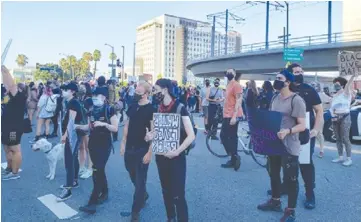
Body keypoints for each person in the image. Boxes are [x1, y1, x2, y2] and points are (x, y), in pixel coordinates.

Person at [269, 63, 323, 210]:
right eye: (296, 71)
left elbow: (319, 110)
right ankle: (285, 188)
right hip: (285, 135)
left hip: (304, 134)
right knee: (285, 163)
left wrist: (316, 129)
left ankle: (310, 193)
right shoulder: (281, 94)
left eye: (301, 71)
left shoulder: (309, 90)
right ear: (290, 76)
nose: (300, 73)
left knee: (305, 165)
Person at [257, 69, 306, 222]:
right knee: (274, 173)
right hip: (274, 143)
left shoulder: (296, 100)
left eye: (279, 78)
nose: (276, 80)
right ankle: (275, 201)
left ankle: (290, 210)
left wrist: (288, 131)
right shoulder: (275, 98)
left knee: (291, 178)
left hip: (289, 146)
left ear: (287, 82)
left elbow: (302, 125)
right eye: (276, 78)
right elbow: (272, 118)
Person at [152, 78, 195, 222]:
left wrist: (177, 151)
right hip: (161, 156)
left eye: (156, 90)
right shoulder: (158, 108)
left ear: (165, 90)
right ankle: (170, 217)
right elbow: (156, 132)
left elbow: (191, 135)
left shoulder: (180, 107)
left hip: (177, 158)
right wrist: (150, 136)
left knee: (178, 194)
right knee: (166, 191)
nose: (154, 93)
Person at [77, 87, 118, 214]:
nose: (95, 97)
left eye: (98, 95)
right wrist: (78, 126)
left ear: (104, 97)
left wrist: (104, 124)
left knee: (97, 171)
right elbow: (89, 127)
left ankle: (92, 203)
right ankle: (105, 192)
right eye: (94, 95)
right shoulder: (91, 110)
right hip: (93, 143)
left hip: (104, 145)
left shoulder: (110, 110)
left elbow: (115, 128)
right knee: (99, 170)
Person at [120, 81, 154, 221]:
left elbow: (154, 131)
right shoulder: (133, 106)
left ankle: (135, 211)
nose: (136, 94)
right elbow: (127, 125)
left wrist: (150, 152)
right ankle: (143, 193)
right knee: (131, 172)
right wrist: (123, 142)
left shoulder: (151, 109)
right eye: (136, 91)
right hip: (130, 147)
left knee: (140, 181)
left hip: (143, 148)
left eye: (139, 92)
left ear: (146, 94)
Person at [57, 82, 83, 202]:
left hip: (72, 135)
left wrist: (65, 135)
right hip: (75, 134)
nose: (63, 91)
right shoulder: (71, 102)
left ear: (72, 91)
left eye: (66, 90)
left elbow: (71, 121)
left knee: (69, 160)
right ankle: (74, 181)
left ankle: (68, 189)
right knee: (73, 157)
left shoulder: (73, 103)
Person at [1, 66, 27, 180]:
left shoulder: (19, 97)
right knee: (7, 148)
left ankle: (15, 173)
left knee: (14, 149)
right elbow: (8, 85)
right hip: (6, 126)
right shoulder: (10, 97)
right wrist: (3, 74)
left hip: (14, 128)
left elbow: (11, 85)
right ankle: (9, 168)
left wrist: (6, 71)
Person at [330, 75, 356, 166]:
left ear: (342, 85)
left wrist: (353, 76)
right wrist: (333, 115)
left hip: (345, 117)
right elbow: (332, 107)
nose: (335, 85)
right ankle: (340, 157)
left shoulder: (346, 93)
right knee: (338, 138)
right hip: (335, 118)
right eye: (334, 84)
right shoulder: (334, 95)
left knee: (345, 138)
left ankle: (349, 159)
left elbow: (348, 84)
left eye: (337, 83)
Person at [220, 68, 243, 171]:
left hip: (233, 115)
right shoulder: (228, 85)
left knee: (230, 136)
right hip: (226, 114)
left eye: (231, 72)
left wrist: (234, 116)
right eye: (227, 72)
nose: (229, 73)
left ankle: (234, 157)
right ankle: (234, 156)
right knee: (226, 136)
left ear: (234, 74)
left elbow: (239, 100)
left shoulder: (236, 85)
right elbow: (229, 99)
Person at [310, 82, 331, 158]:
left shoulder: (323, 95)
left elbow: (330, 103)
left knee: (319, 133)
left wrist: (325, 108)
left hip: (319, 116)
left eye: (315, 86)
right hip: (310, 116)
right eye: (313, 86)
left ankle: (321, 150)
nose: (314, 87)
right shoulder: (310, 94)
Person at [78, 82, 93, 179]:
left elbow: (91, 113)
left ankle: (90, 168)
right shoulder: (79, 99)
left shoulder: (89, 100)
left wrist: (89, 125)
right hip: (79, 125)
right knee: (81, 147)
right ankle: (81, 166)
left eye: (83, 87)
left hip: (87, 126)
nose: (81, 88)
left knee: (88, 148)